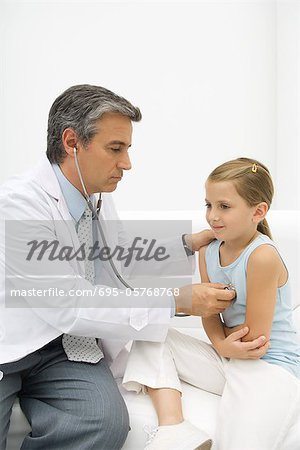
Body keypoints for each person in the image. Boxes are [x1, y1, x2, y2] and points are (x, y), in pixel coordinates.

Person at [0, 84, 238, 450]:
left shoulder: (94, 195)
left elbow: (119, 256)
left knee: (103, 422)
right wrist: (176, 302)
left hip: (63, 347)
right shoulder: (18, 206)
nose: (126, 163)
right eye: (116, 149)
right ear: (72, 142)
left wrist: (186, 245)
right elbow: (66, 303)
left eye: (127, 149)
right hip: (10, 345)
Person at [122, 157, 300, 450]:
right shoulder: (208, 251)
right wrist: (219, 345)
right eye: (209, 205)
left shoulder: (262, 256)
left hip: (266, 365)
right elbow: (209, 313)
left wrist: (224, 345)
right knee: (150, 331)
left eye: (224, 207)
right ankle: (174, 428)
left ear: (258, 211)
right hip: (229, 358)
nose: (212, 216)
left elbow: (255, 339)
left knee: (239, 441)